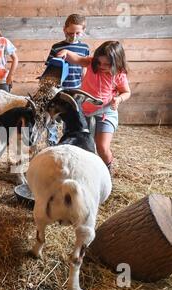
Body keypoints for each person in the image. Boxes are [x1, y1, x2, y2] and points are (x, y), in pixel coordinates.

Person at [56, 41, 131, 172]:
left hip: (106, 112)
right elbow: (77, 59)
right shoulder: (91, 63)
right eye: (99, 62)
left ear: (116, 63)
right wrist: (66, 53)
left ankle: (107, 171)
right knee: (80, 144)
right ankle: (81, 170)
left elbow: (126, 92)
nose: (101, 66)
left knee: (102, 147)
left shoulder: (119, 74)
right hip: (84, 111)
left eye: (106, 64)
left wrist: (119, 98)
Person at [45, 14, 90, 146]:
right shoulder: (56, 47)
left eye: (78, 33)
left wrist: (83, 83)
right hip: (58, 89)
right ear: (64, 29)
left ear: (83, 31)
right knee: (52, 118)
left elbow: (85, 67)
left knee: (71, 118)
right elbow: (50, 66)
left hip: (75, 89)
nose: (74, 36)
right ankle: (51, 144)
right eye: (70, 33)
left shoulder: (84, 48)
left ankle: (67, 143)